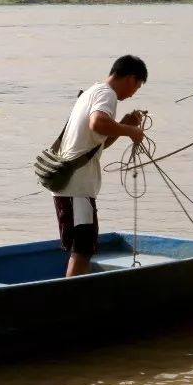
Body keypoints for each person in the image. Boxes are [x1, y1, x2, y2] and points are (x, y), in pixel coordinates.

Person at [51, 55, 148, 277]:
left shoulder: (91, 93)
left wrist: (124, 125)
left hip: (72, 185)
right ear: (131, 78)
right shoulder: (107, 94)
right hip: (77, 187)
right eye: (137, 87)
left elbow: (97, 145)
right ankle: (73, 301)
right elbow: (98, 123)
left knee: (83, 247)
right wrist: (132, 131)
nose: (133, 93)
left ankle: (78, 295)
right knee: (82, 249)